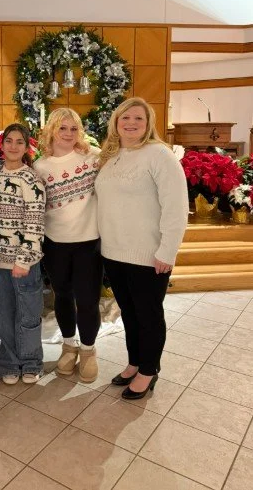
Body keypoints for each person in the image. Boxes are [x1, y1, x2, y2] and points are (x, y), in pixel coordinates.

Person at [95, 97, 189, 400]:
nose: (131, 123)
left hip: (149, 254)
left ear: (148, 124)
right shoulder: (110, 156)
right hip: (114, 251)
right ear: (116, 122)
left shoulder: (159, 155)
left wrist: (168, 251)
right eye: (126, 118)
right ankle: (134, 361)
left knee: (148, 315)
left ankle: (149, 370)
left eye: (139, 119)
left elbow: (176, 207)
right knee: (130, 315)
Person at [33, 108, 102, 383]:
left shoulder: (93, 159)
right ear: (52, 130)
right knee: (62, 296)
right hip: (56, 243)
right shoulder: (41, 166)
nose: (69, 134)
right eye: (63, 128)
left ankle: (88, 350)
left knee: (87, 300)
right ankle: (69, 345)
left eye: (74, 129)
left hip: (89, 242)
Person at [0, 123, 46, 385]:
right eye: (9, 141)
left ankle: (32, 362)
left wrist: (23, 260)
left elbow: (34, 221)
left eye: (19, 142)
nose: (13, 146)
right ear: (1, 145)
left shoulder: (31, 179)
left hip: (24, 261)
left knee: (28, 315)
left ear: (26, 147)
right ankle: (9, 362)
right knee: (3, 314)